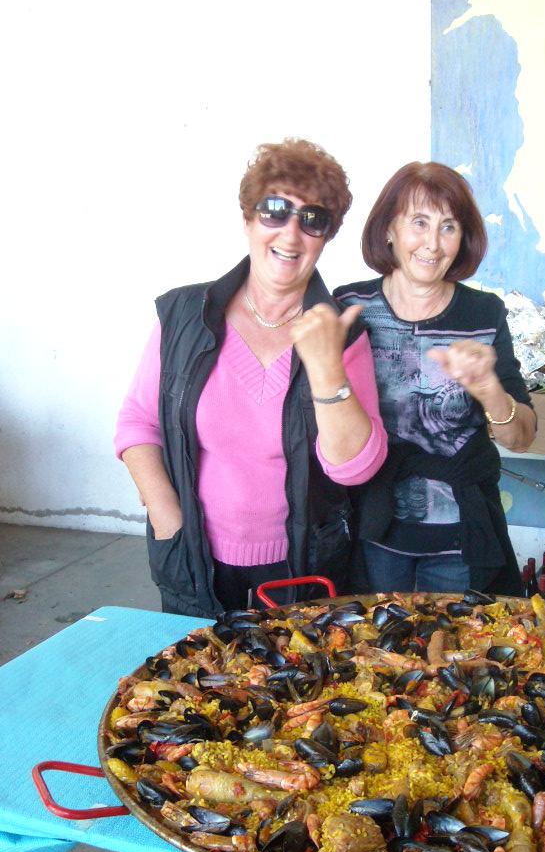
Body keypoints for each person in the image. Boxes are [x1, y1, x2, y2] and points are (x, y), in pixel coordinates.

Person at [115, 139, 387, 617]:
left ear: (326, 237)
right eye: (275, 211)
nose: (291, 234)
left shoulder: (342, 332)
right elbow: (138, 421)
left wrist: (326, 368)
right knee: (194, 666)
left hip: (302, 569)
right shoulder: (184, 314)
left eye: (313, 219)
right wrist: (165, 515)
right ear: (248, 219)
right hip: (193, 557)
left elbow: (355, 468)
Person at [334, 161, 536, 595]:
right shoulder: (350, 306)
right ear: (389, 230)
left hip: (460, 540)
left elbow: (522, 438)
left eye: (448, 227)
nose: (433, 243)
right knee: (374, 636)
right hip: (372, 529)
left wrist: (489, 390)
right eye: (419, 222)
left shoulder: (483, 314)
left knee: (462, 637)